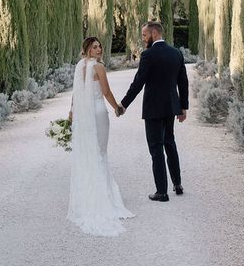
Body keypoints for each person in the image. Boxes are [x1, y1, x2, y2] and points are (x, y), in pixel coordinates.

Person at [67, 37, 134, 236]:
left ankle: (89, 195)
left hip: (84, 116)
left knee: (90, 152)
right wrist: (118, 107)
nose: (99, 50)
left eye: (99, 47)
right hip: (97, 113)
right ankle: (103, 197)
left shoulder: (80, 66)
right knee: (101, 153)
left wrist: (71, 112)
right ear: (87, 49)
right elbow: (106, 91)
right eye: (94, 47)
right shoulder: (99, 67)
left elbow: (75, 94)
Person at [118, 21, 189, 202]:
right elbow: (183, 82)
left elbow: (138, 83)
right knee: (170, 143)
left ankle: (162, 192)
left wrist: (124, 104)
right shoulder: (176, 53)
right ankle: (177, 184)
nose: (143, 39)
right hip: (171, 108)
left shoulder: (148, 55)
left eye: (144, 35)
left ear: (155, 33)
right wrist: (183, 107)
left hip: (153, 109)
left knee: (156, 148)